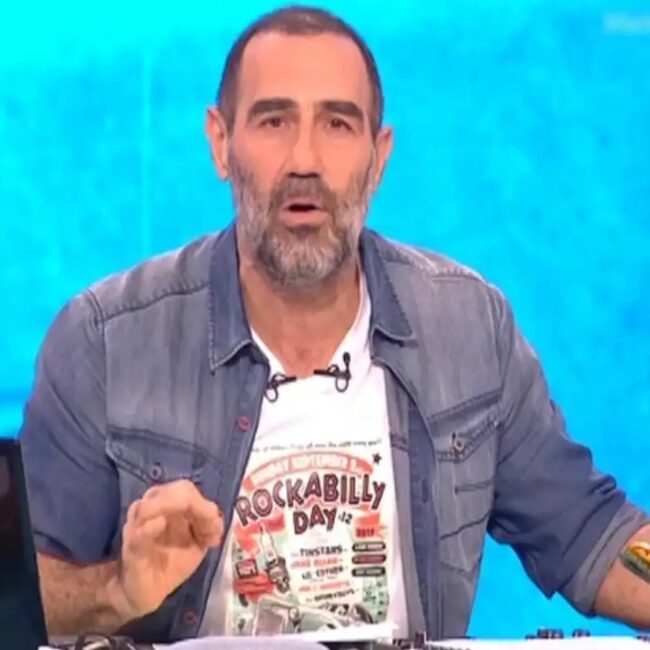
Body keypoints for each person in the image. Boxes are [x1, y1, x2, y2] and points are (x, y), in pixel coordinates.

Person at [18, 4, 650, 644]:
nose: (305, 159)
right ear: (221, 143)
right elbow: (19, 591)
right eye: (274, 120)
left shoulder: (470, 330)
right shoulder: (105, 340)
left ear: (379, 157)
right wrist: (117, 590)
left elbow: (589, 533)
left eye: (338, 124)